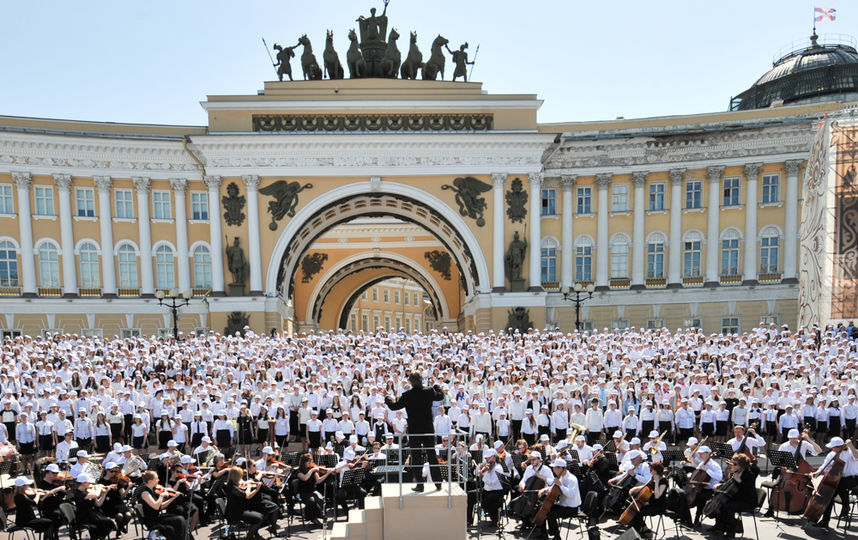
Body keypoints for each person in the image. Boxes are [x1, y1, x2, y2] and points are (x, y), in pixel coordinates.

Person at [383, 372, 444, 492]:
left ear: (410, 382)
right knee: (432, 455)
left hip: (415, 430)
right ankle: (438, 483)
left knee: (416, 457)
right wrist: (436, 386)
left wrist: (387, 398)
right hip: (427, 429)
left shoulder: (407, 395)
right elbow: (440, 396)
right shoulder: (429, 391)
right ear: (421, 380)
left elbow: (394, 407)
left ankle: (420, 485)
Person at [809, 437, 858, 529]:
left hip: (852, 479)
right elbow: (824, 466)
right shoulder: (831, 454)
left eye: (833, 447)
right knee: (828, 495)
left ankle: (844, 507)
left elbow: (857, 456)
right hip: (839, 479)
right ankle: (827, 519)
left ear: (839, 447)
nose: (832, 449)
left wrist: (851, 445)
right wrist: (816, 472)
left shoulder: (850, 453)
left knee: (835, 489)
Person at [711, 454, 759, 537]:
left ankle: (731, 532)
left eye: (735, 464)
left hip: (747, 501)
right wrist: (719, 484)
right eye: (732, 463)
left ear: (741, 465)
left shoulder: (749, 475)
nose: (732, 465)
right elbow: (728, 483)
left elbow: (749, 491)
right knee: (721, 503)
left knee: (728, 507)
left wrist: (739, 481)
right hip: (737, 497)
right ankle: (719, 526)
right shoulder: (736, 472)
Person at [537, 458, 581, 540]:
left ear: (561, 468)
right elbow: (552, 487)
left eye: (555, 468)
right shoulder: (560, 476)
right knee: (542, 507)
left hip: (571, 508)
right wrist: (545, 489)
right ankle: (543, 533)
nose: (553, 470)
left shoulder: (572, 479)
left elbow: (571, 494)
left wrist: (561, 485)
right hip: (562, 504)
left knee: (550, 515)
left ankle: (556, 537)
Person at [137, 470, 187, 540]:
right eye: (157, 478)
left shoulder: (153, 490)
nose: (159, 480)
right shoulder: (145, 493)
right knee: (178, 521)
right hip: (152, 520)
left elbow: (161, 506)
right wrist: (161, 496)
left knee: (181, 519)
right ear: (150, 481)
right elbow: (156, 507)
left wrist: (173, 498)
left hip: (157, 517)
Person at [295, 452, 338, 527]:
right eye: (309, 462)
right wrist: (312, 470)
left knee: (321, 498)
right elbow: (305, 478)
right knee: (312, 501)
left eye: (311, 462)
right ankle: (314, 518)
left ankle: (318, 515)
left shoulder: (313, 469)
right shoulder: (299, 471)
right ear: (304, 463)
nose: (311, 464)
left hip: (312, 490)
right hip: (303, 492)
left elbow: (318, 480)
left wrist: (327, 474)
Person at [466, 448, 505, 527]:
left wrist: (482, 476)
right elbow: (475, 473)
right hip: (486, 490)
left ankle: (494, 519)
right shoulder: (486, 465)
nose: (486, 459)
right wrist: (479, 468)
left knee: (487, 501)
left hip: (496, 491)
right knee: (470, 495)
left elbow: (492, 483)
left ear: (494, 457)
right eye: (486, 458)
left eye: (488, 457)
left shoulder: (498, 468)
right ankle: (469, 520)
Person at [628, 462, 668, 539]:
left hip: (659, 506)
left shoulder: (663, 481)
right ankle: (642, 528)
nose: (650, 471)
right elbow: (645, 486)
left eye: (651, 470)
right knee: (635, 509)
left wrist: (656, 483)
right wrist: (634, 489)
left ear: (656, 471)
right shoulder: (653, 477)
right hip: (651, 502)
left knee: (638, 513)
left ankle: (637, 533)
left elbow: (657, 496)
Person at [73, 473, 116, 540]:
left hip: (92, 515)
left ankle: (100, 537)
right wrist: (99, 487)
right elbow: (96, 494)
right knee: (107, 523)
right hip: (84, 516)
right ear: (83, 483)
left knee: (109, 523)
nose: (90, 483)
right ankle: (99, 537)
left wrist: (105, 492)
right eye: (88, 482)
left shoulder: (88, 491)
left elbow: (98, 503)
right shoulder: (79, 494)